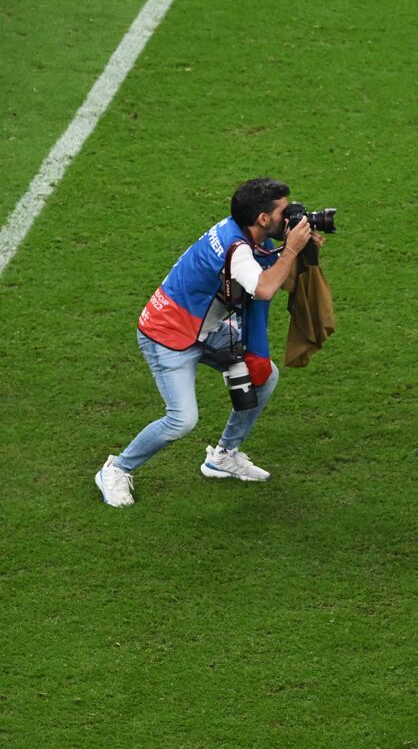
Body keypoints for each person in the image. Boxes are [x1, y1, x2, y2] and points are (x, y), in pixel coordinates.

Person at [95, 178, 321, 507]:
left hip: (205, 327)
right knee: (181, 418)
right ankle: (116, 469)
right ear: (262, 219)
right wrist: (290, 251)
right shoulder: (238, 249)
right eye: (283, 211)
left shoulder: (241, 233)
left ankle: (223, 456)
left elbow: (278, 280)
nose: (290, 217)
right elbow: (265, 289)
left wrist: (299, 253)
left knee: (265, 375)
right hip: (168, 336)